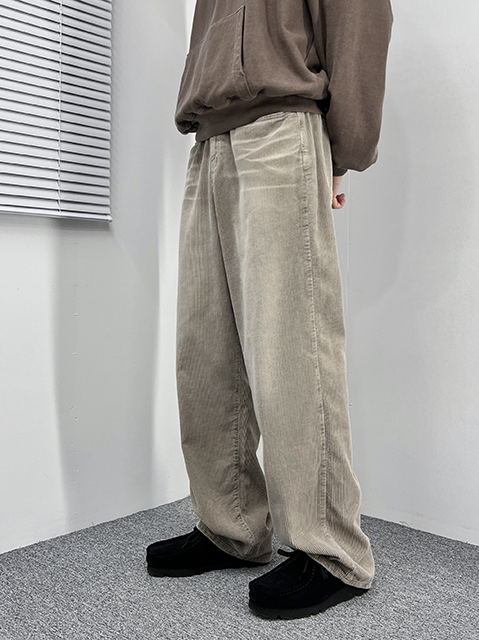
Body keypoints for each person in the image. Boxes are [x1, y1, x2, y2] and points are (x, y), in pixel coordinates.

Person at [146, 0, 393, 620]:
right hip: (211, 138)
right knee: (205, 345)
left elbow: (359, 22)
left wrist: (342, 152)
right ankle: (229, 525)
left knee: (292, 343)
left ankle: (331, 548)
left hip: (282, 125)